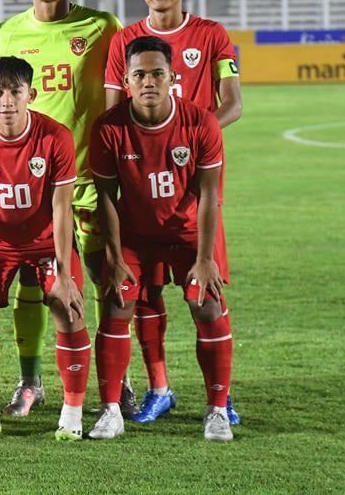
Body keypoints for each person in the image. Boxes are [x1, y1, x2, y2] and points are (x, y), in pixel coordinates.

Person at [0, 0, 127, 417]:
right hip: (27, 186)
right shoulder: (5, 34)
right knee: (34, 284)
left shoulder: (102, 27)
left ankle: (116, 378)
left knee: (105, 278)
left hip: (91, 177)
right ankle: (30, 381)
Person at [105, 0, 242, 426]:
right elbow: (113, 112)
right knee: (144, 295)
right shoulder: (124, 40)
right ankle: (158, 387)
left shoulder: (212, 35)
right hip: (140, 187)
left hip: (194, 187)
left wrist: (187, 138)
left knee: (205, 293)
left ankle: (220, 397)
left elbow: (234, 105)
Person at [87, 35, 234, 442]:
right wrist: (114, 258)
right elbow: (106, 197)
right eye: (139, 74)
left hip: (188, 232)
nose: (148, 81)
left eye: (156, 73)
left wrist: (206, 257)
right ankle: (111, 409)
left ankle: (218, 410)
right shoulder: (107, 129)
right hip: (135, 235)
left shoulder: (200, 122)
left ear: (173, 77)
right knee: (118, 303)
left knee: (204, 302)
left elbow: (208, 194)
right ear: (126, 79)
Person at [0, 57, 87, 440]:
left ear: (32, 93)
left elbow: (63, 210)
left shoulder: (56, 136)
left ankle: (72, 415)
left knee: (69, 307)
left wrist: (64, 276)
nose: (8, 100)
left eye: (15, 92)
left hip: (46, 240)